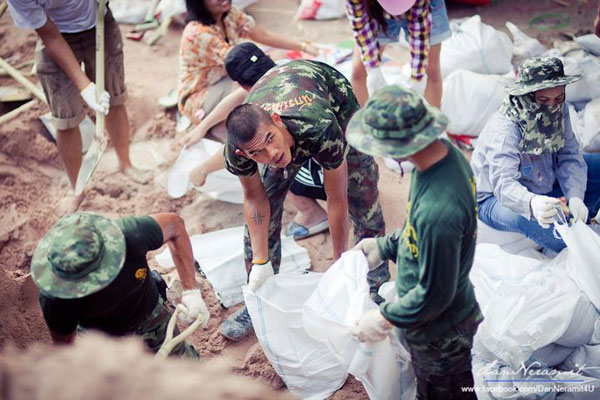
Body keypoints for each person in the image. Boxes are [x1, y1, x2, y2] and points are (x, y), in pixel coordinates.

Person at [221, 60, 387, 340]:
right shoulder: (238, 150)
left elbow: (337, 200)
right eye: (258, 153)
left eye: (270, 140)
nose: (271, 153)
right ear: (244, 154)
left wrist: (338, 264)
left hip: (334, 102)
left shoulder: (317, 125)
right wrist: (260, 261)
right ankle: (258, 295)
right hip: (279, 103)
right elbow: (255, 200)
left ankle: (374, 285)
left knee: (363, 194)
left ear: (277, 121)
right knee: (261, 218)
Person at [350, 85, 482, 399]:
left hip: (441, 332)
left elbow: (435, 294)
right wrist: (385, 246)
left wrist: (385, 317)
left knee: (444, 391)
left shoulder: (440, 211)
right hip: (432, 321)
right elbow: (415, 230)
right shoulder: (438, 158)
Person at [6, 0, 150, 213]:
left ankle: (125, 164)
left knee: (114, 99)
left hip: (98, 23)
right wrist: (85, 87)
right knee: (65, 118)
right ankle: (77, 189)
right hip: (56, 35)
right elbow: (51, 36)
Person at [183, 42, 329, 239]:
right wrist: (202, 127)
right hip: (342, 153)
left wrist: (203, 168)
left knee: (269, 158)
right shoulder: (286, 67)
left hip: (328, 169)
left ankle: (311, 213)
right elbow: (237, 97)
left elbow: (237, 150)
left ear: (240, 83)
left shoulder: (269, 105)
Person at [30, 212, 210, 358]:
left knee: (188, 373)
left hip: (149, 313)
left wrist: (191, 291)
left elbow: (175, 225)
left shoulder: (129, 236)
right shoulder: (55, 299)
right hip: (101, 340)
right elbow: (65, 349)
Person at [471, 56, 600, 254]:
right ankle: (575, 237)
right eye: (543, 100)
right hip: (495, 198)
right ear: (527, 95)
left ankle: (580, 215)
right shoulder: (505, 129)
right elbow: (503, 183)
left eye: (559, 98)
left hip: (545, 180)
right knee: (537, 225)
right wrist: (531, 203)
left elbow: (569, 155)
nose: (552, 106)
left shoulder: (560, 109)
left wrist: (575, 195)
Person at [178, 0, 318, 129]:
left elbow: (262, 35)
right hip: (200, 95)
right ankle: (209, 126)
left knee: (277, 59)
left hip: (224, 78)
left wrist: (303, 46)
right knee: (249, 89)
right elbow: (242, 63)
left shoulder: (229, 13)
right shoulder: (198, 34)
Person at [345, 0, 451, 108]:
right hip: (373, 7)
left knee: (431, 70)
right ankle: (361, 117)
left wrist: (418, 79)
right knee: (359, 71)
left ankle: (430, 118)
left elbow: (419, 33)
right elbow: (361, 26)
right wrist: (373, 70)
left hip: (421, 8)